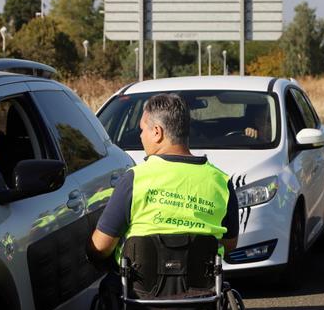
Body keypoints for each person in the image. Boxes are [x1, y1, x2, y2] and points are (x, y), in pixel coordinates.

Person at [88, 92, 239, 265]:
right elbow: (230, 244)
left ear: (157, 132)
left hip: (139, 289)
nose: (140, 136)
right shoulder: (221, 182)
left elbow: (101, 247)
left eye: (142, 130)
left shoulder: (134, 179)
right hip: (202, 287)